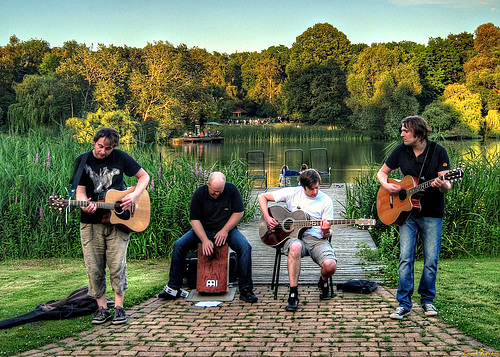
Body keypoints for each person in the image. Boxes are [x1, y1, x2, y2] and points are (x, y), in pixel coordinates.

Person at [376, 115, 452, 320]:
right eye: (401, 130)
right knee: (405, 259)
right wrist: (386, 185)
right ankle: (404, 303)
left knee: (431, 260)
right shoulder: (401, 150)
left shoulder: (438, 151)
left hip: (432, 213)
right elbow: (382, 173)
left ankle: (427, 301)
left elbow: (447, 184)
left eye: (405, 131)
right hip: (406, 214)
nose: (401, 134)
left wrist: (443, 184)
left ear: (418, 133)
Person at [72, 127, 150, 325]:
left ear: (113, 147)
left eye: (108, 148)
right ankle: (101, 308)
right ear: (94, 142)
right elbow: (79, 192)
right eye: (100, 146)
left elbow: (144, 177)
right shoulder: (82, 161)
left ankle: (119, 308)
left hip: (119, 222)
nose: (103, 151)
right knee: (94, 267)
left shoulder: (121, 157)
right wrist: (84, 204)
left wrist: (133, 195)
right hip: (91, 223)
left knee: (117, 265)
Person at [158, 172, 258, 303]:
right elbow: (194, 220)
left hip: (226, 230)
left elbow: (239, 212)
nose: (217, 194)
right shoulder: (199, 193)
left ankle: (246, 290)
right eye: (214, 191)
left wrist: (225, 230)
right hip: (203, 230)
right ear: (208, 185)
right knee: (179, 245)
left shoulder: (232, 190)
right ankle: (173, 287)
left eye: (219, 191)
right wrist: (204, 239)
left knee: (245, 247)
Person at [258, 169, 337, 311]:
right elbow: (262, 197)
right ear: (303, 187)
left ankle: (323, 282)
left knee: (330, 266)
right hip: (292, 237)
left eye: (317, 188)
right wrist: (268, 218)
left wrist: (326, 231)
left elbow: (329, 232)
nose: (315, 192)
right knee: (295, 247)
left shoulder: (326, 201)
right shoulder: (292, 193)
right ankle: (293, 293)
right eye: (311, 189)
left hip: (317, 239)